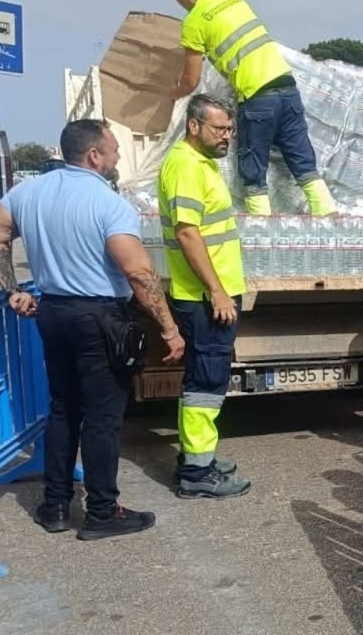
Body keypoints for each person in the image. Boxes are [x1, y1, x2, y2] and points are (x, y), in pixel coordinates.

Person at [0, 119, 185, 541]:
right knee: (103, 419)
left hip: (53, 312)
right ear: (94, 155)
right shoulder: (109, 204)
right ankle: (102, 512)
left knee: (63, 408)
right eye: (113, 151)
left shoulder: (27, 193)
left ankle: (55, 506)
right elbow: (139, 273)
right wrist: (169, 328)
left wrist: (14, 290)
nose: (117, 158)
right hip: (99, 318)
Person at [164, 0, 336, 217]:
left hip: (257, 97)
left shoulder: (193, 22)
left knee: (253, 169)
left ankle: (262, 225)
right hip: (286, 86)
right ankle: (328, 214)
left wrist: (169, 95)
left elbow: (191, 79)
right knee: (302, 160)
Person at [158, 94, 253, 499]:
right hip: (204, 298)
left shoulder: (201, 165)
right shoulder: (184, 166)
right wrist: (216, 290)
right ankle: (197, 475)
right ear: (193, 126)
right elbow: (187, 232)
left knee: (206, 377)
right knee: (206, 380)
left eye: (230, 129)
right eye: (219, 128)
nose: (227, 136)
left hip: (212, 294)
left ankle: (200, 457)